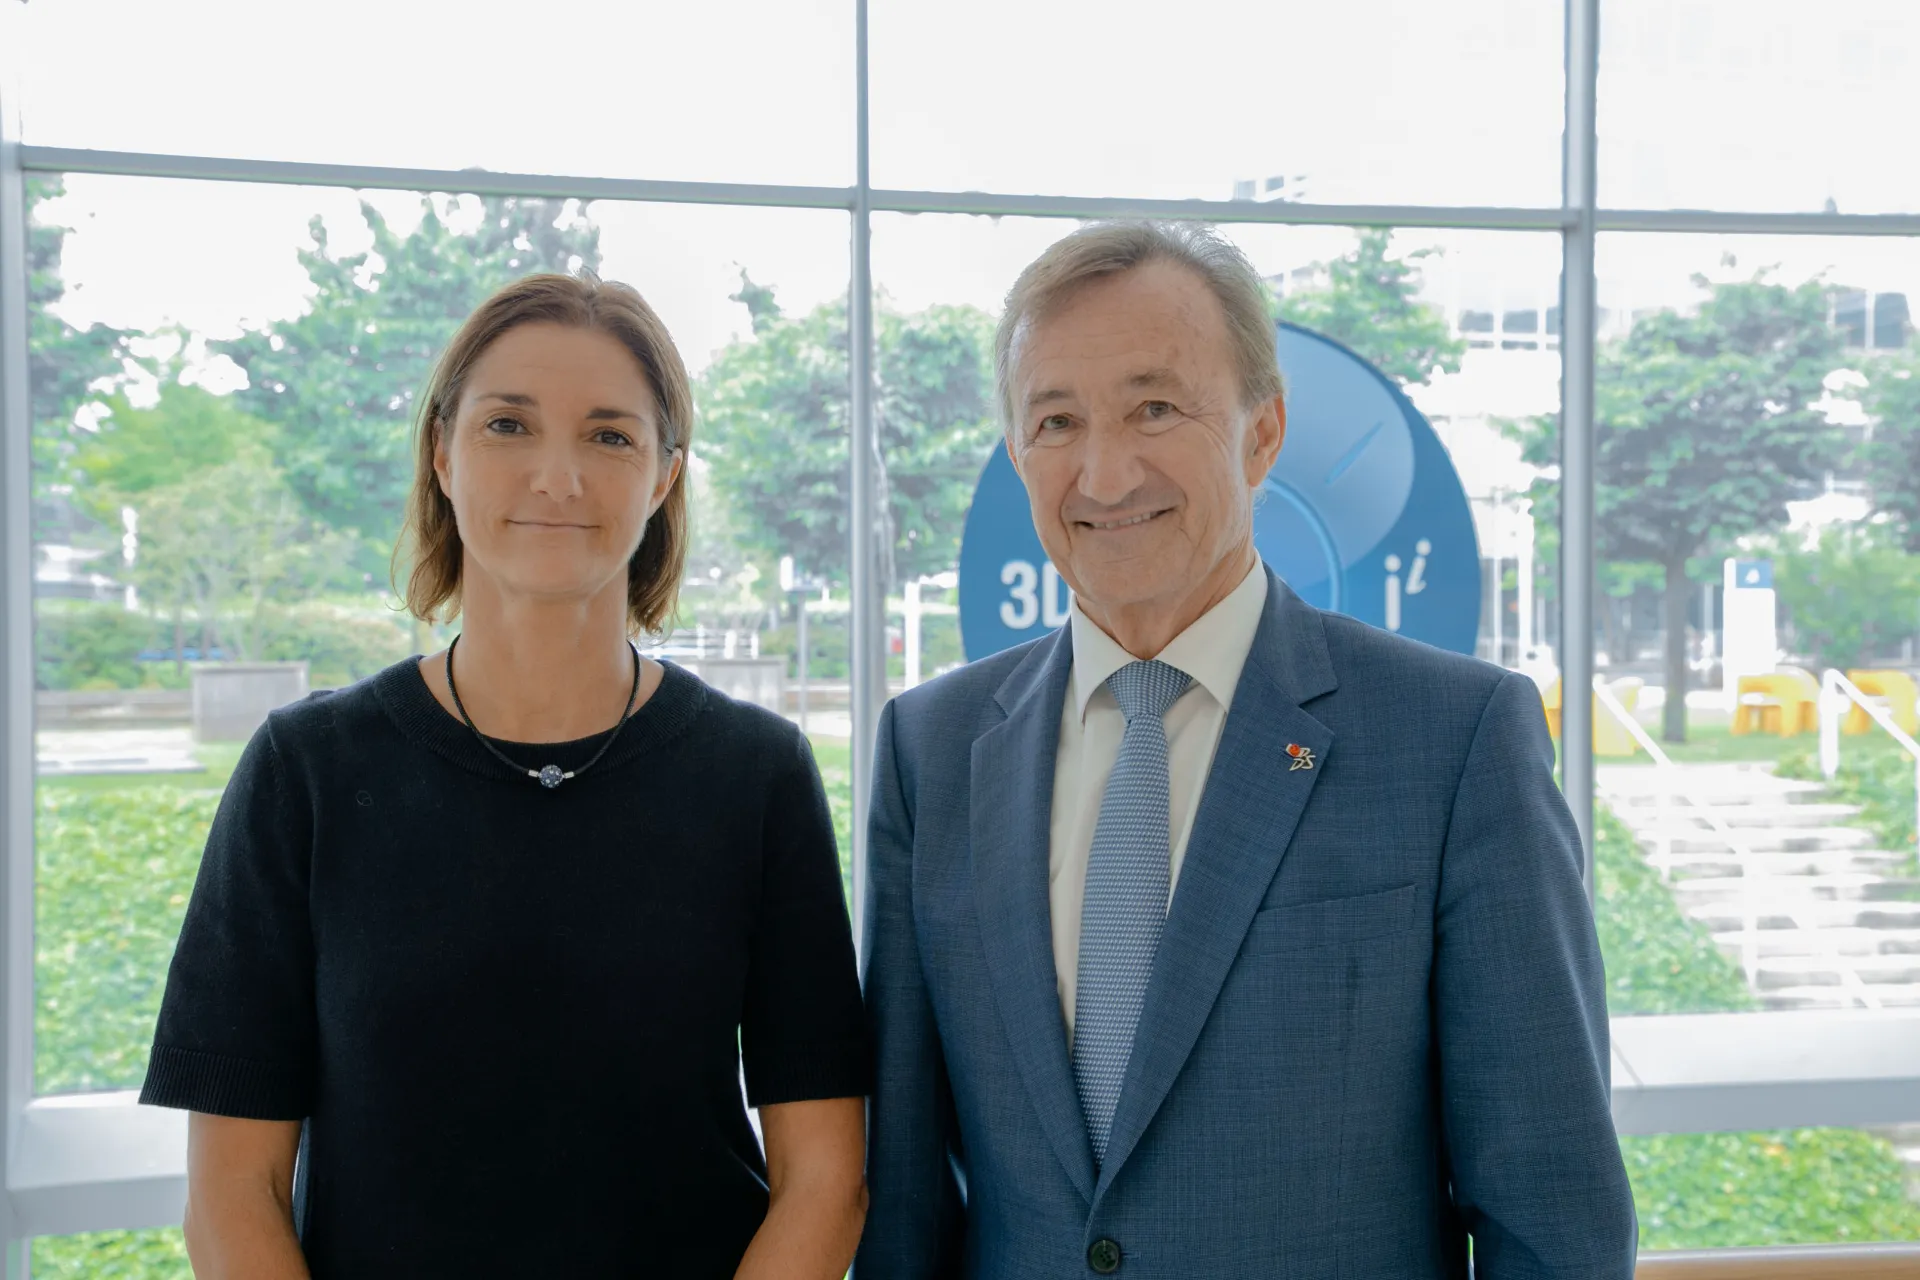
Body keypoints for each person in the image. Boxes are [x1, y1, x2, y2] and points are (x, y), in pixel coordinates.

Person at [858, 222, 1636, 1278]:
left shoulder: (1454, 740)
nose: (1104, 468)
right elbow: (905, 1201)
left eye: (1155, 408)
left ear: (1261, 432)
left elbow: (1554, 1215)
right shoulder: (932, 749)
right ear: (1016, 454)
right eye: (1056, 420)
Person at [141, 273, 869, 1278]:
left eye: (611, 435)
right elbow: (233, 1194)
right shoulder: (304, 772)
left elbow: (827, 1177)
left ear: (664, 477)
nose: (558, 475)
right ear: (442, 451)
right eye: (508, 425)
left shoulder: (757, 773)